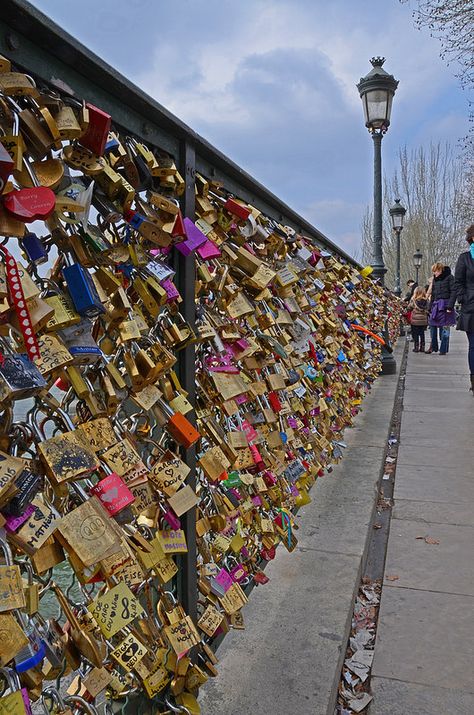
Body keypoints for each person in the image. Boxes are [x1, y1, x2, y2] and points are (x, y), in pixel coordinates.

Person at [451, 225, 474, 393]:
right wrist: (464, 298)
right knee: (473, 346)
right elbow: (457, 282)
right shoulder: (464, 258)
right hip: (471, 308)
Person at [426, 262, 455, 355]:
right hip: (436, 306)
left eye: (436, 271)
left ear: (440, 270)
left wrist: (450, 306)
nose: (434, 273)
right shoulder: (435, 279)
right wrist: (430, 307)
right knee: (432, 326)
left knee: (445, 329)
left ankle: (443, 349)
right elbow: (433, 295)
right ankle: (434, 346)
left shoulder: (450, 278)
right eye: (434, 271)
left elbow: (454, 292)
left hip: (446, 305)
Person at [408, 286, 429, 352]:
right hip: (423, 321)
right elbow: (428, 308)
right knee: (422, 334)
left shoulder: (413, 300)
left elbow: (409, 308)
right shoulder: (426, 301)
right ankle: (422, 347)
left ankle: (416, 347)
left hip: (415, 321)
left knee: (415, 334)